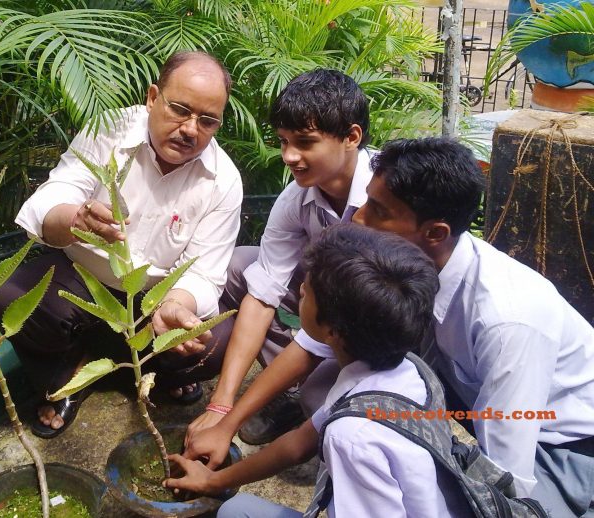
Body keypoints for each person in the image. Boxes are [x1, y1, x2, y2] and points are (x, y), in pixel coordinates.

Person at [0, 50, 243, 439]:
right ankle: (69, 375)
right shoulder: (109, 130)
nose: (191, 129)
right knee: (12, 296)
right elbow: (52, 197)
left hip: (151, 304)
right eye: (179, 109)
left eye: (207, 121)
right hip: (80, 281)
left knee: (217, 345)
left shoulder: (223, 180)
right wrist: (76, 221)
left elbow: (205, 274)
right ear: (152, 97)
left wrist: (176, 306)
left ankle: (124, 367)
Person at [351, 137, 594, 518]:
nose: (358, 218)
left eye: (378, 211)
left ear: (435, 233)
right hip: (498, 418)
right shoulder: (419, 273)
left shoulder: (505, 319)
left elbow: (509, 472)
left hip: (564, 445)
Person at [165, 223, 471, 518]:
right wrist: (214, 480)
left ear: (332, 333)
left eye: (307, 291)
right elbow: (298, 444)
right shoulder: (410, 373)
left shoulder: (351, 437)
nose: (299, 288)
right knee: (235, 509)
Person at [185, 69, 373, 448]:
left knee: (327, 413)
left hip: (381, 315)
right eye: (284, 141)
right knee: (241, 266)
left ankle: (311, 388)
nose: (289, 156)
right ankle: (292, 385)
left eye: (305, 142)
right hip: (328, 303)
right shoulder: (296, 200)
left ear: (351, 137)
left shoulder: (389, 195)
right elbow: (264, 293)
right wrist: (222, 406)